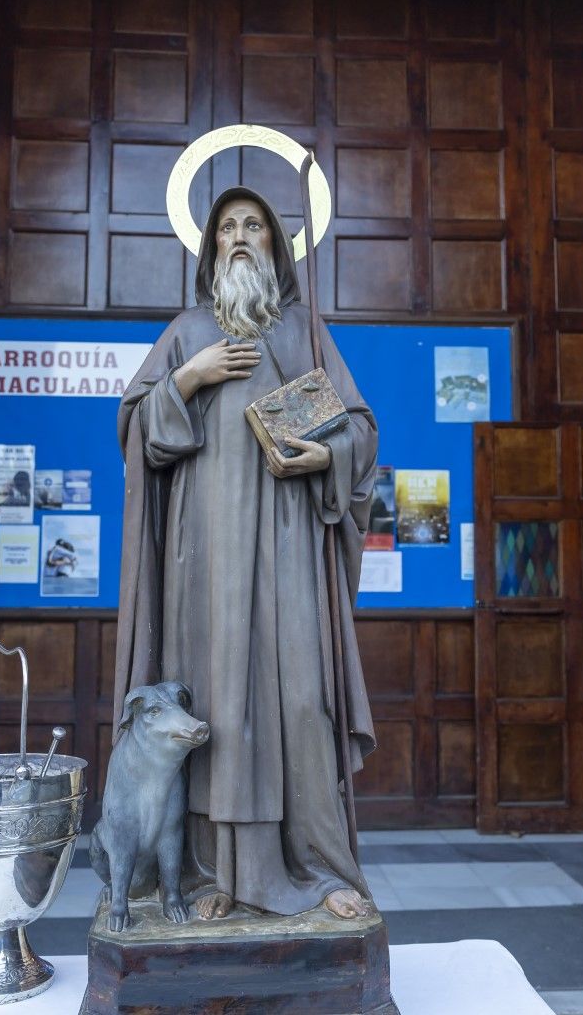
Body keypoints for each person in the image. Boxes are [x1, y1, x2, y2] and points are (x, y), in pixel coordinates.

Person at [115, 186, 378, 922]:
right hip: (204, 562)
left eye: (252, 226)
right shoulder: (187, 330)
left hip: (291, 546)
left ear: (274, 245)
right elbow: (135, 430)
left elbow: (360, 432)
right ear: (209, 248)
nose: (238, 237)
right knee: (215, 702)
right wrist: (188, 378)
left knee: (301, 698)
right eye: (226, 227)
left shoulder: (305, 332)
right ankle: (210, 877)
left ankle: (318, 867)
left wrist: (316, 459)